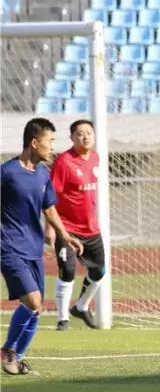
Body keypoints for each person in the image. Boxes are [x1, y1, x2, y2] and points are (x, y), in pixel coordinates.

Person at [2, 118, 85, 375]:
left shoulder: (43, 174)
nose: (53, 147)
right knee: (33, 301)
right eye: (50, 141)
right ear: (34, 143)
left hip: (34, 248)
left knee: (36, 310)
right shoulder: (7, 172)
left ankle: (16, 359)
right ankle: (7, 350)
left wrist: (65, 235)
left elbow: (49, 209)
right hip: (8, 247)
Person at [45, 119, 106, 330]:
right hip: (67, 228)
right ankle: (63, 319)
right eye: (80, 133)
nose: (85, 137)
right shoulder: (64, 162)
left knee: (99, 272)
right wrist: (50, 227)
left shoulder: (96, 157)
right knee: (68, 271)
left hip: (91, 228)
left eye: (89, 133)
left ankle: (81, 307)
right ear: (72, 137)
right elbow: (50, 196)